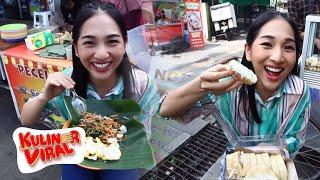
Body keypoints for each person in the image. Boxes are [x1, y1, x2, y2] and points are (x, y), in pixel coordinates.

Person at [21, 2, 160, 179]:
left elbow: (141, 137)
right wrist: (43, 97)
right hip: (76, 152)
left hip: (122, 155)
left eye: (112, 42)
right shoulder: (65, 81)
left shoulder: (141, 85)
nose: (101, 54)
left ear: (125, 43)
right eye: (89, 43)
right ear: (76, 48)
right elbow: (26, 120)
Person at [159, 11, 311, 157]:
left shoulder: (299, 92)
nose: (278, 58)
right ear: (248, 51)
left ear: (297, 55)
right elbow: (165, 109)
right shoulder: (227, 86)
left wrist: (260, 152)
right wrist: (201, 85)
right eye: (267, 44)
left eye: (288, 47)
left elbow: (295, 140)